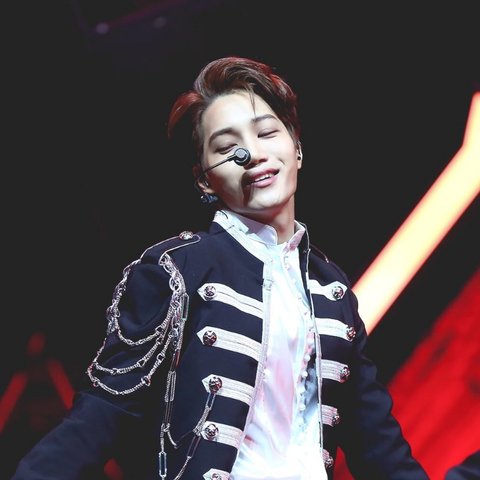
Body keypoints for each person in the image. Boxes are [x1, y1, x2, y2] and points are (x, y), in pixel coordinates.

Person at [12, 56, 429, 480]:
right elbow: (105, 411)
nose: (253, 154)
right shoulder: (177, 270)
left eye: (267, 133)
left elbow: (378, 446)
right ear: (204, 180)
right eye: (228, 148)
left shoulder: (329, 289)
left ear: (297, 147)